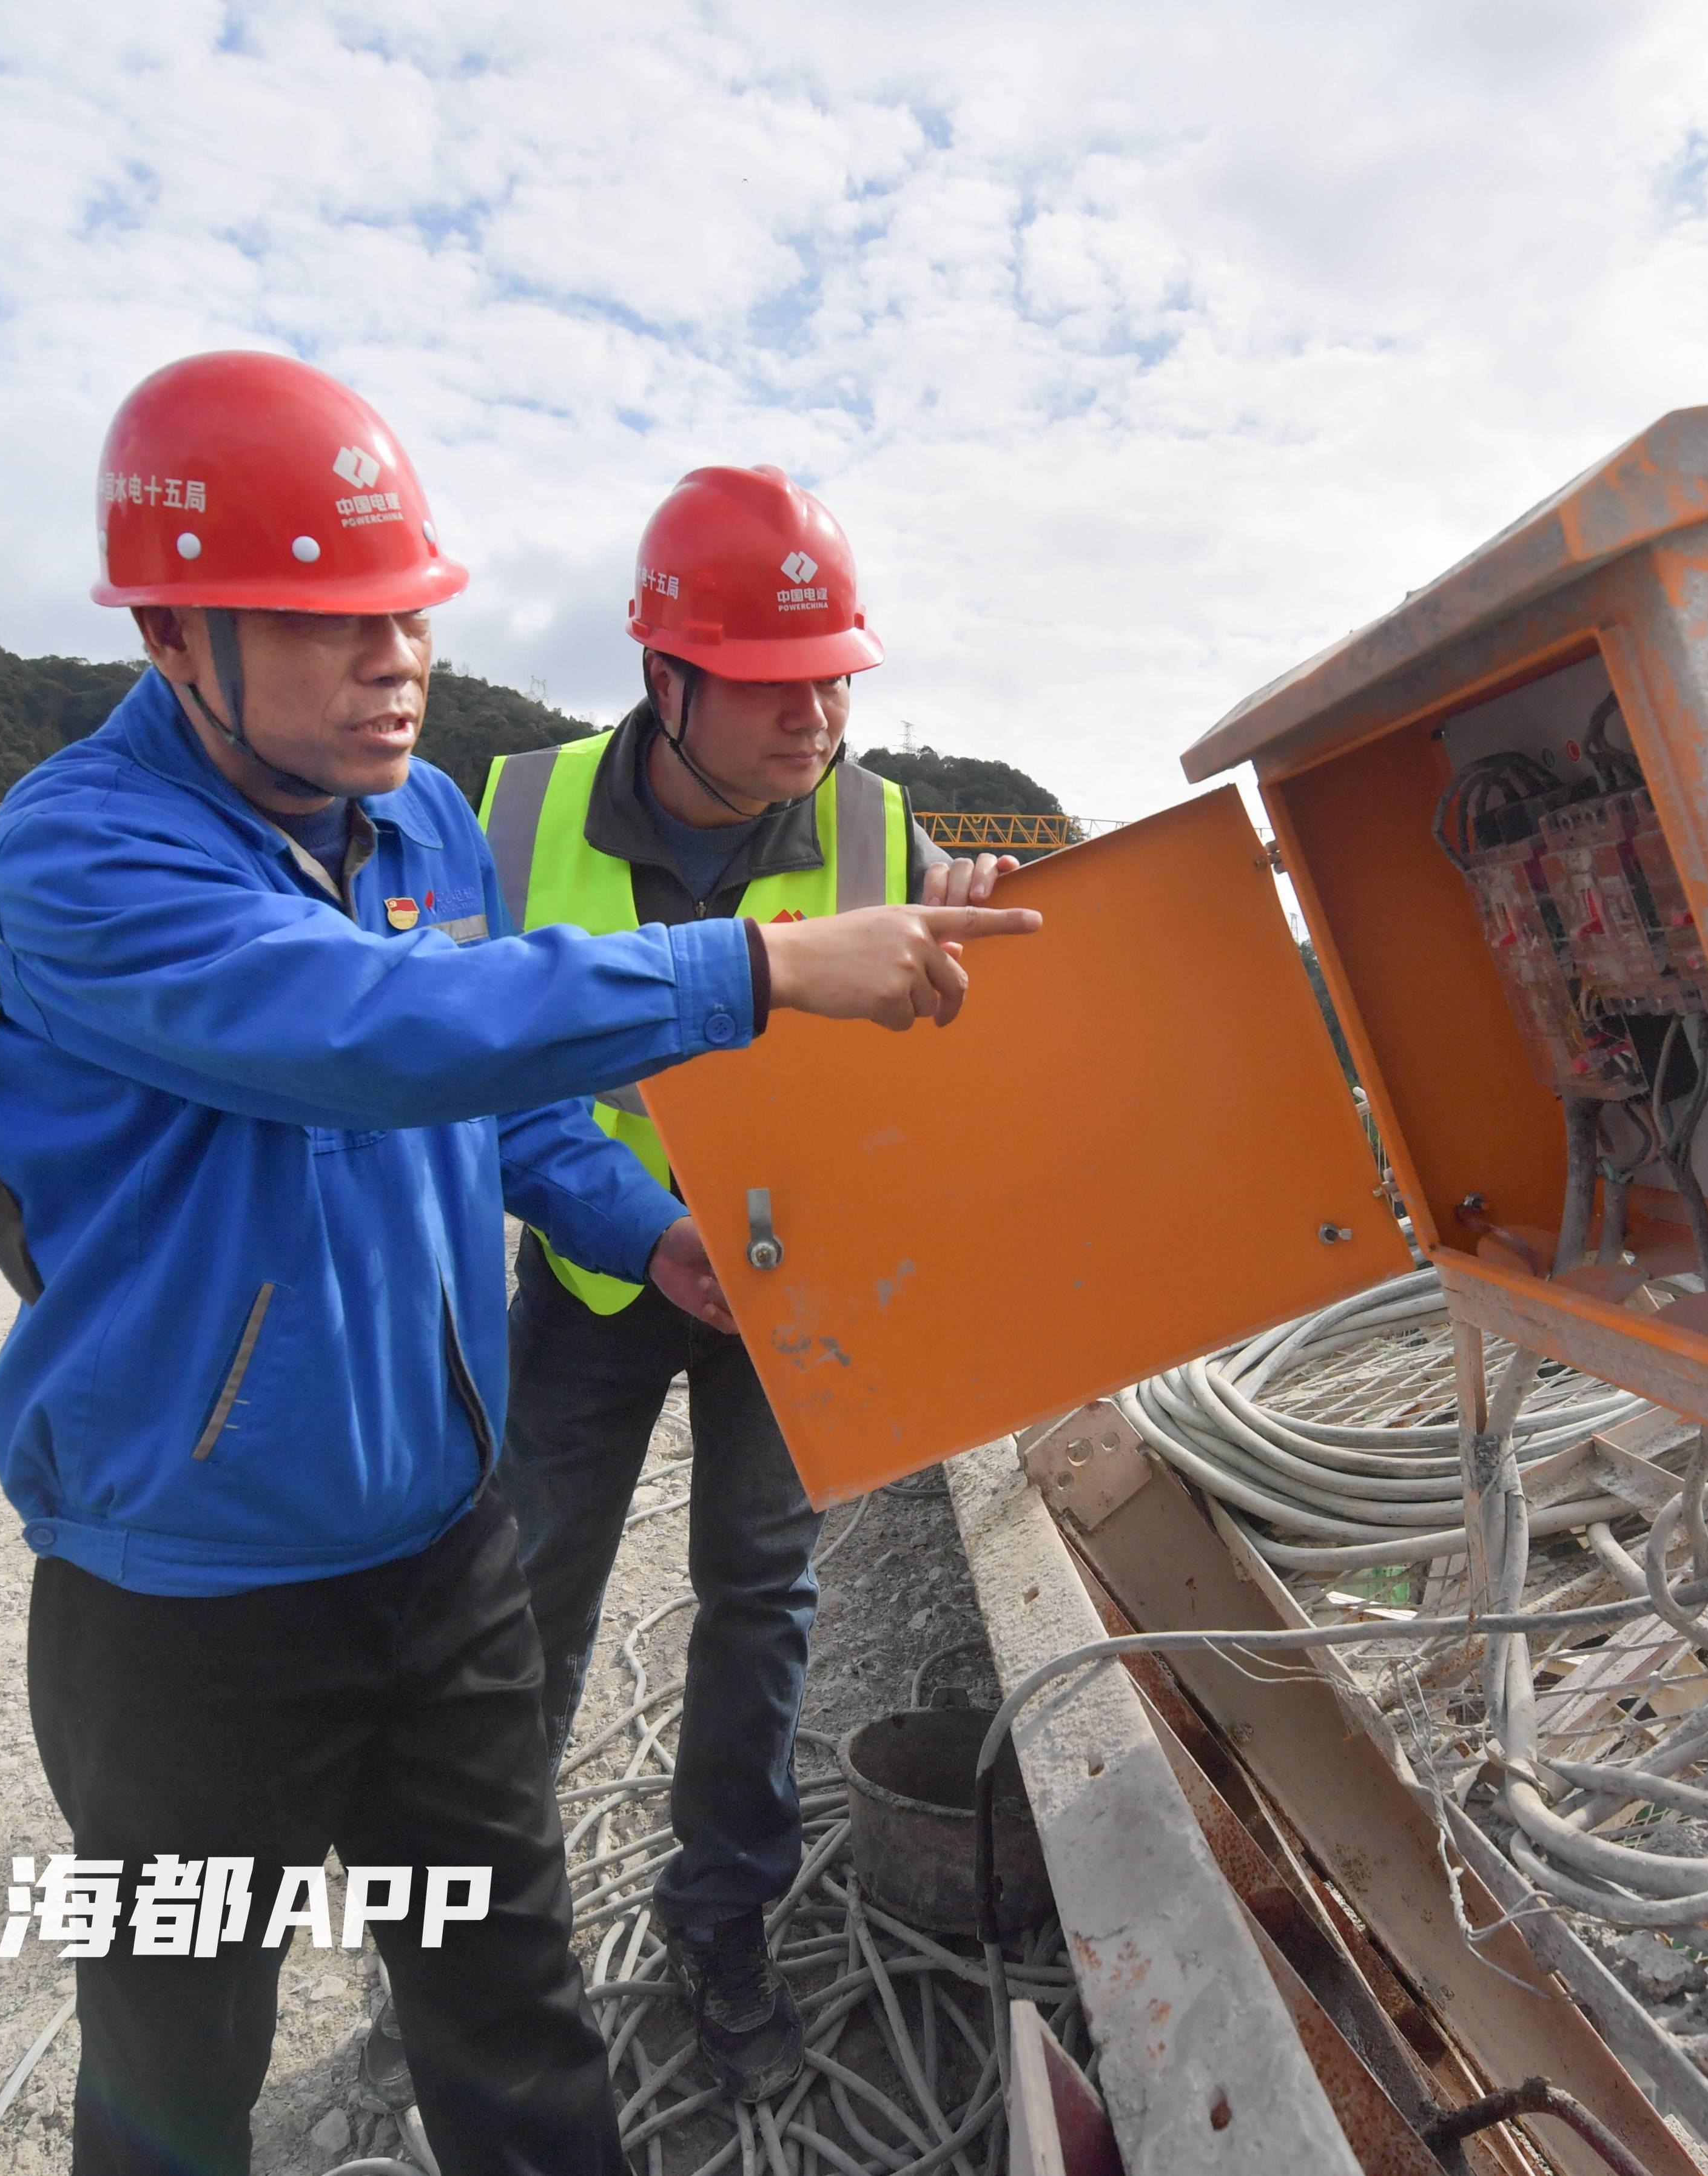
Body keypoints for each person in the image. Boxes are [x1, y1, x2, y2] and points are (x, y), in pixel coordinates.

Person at [0, 353, 1037, 2176]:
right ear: (170, 632)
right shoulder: (82, 854)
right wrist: (756, 973)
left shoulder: (426, 825)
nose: (396, 663)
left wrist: (643, 1232)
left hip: (440, 1554)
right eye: (326, 625)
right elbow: (362, 1027)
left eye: (408, 618)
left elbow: (497, 1102)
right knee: (179, 2043)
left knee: (510, 2011)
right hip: (189, 1592)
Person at [468, 466, 1015, 2103]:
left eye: (836, 673)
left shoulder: (874, 827)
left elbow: (919, 1072)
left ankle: (722, 1930)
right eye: (776, 684)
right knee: (522, 1601)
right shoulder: (506, 815)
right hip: (599, 1257)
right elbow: (488, 1077)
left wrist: (963, 969)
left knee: (763, 1598)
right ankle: (488, 1947)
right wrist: (644, 1227)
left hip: (791, 1275)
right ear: (662, 675)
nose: (817, 713)